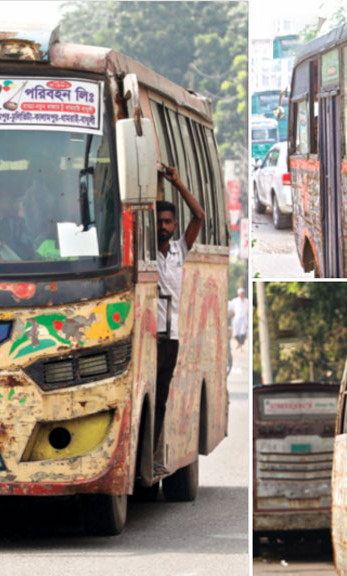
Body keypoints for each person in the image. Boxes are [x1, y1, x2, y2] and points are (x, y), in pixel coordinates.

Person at [154, 163, 204, 476]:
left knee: (160, 402)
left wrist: (178, 182)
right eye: (159, 221)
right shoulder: (146, 253)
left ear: (174, 225)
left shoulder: (178, 251)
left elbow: (199, 216)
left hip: (170, 339)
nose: (164, 226)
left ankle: (154, 454)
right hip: (149, 338)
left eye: (168, 221)